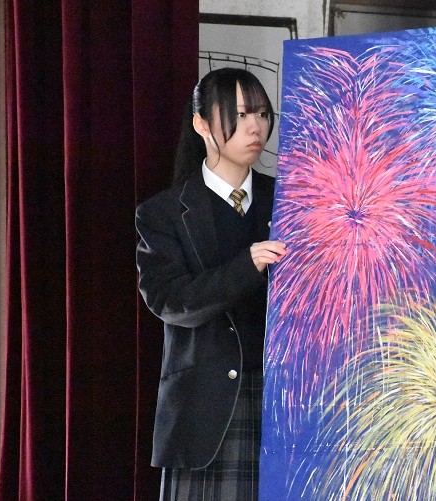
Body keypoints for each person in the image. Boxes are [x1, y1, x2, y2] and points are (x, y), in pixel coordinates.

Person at [136, 67, 286, 500]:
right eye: (239, 115)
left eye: (262, 113)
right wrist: (247, 265)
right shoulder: (162, 213)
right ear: (202, 124)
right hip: (205, 409)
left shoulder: (291, 199)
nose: (255, 127)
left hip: (284, 402)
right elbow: (171, 301)